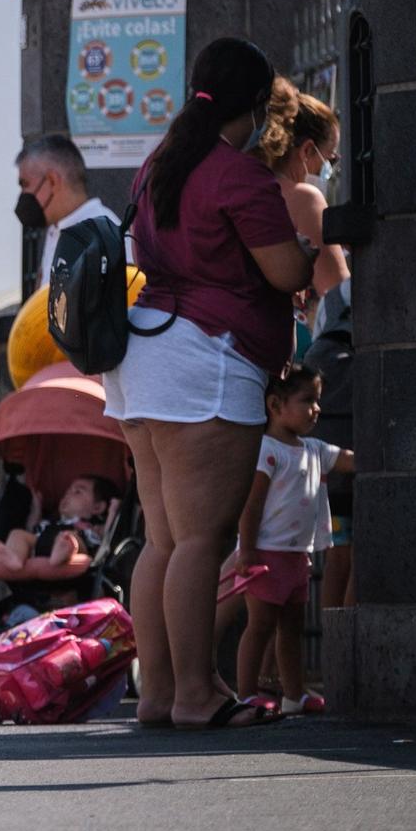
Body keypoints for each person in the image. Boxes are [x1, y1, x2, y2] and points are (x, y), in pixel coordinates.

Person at [102, 37, 313, 731]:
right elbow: (286, 274)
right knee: (202, 540)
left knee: (163, 539)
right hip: (207, 360)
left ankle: (161, 693)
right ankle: (197, 693)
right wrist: (308, 253)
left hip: (143, 357)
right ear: (255, 106)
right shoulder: (236, 175)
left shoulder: (159, 163)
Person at [235, 366, 353, 716]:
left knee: (292, 627)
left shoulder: (314, 449)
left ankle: (293, 693)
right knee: (259, 626)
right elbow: (251, 505)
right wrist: (248, 549)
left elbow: (347, 460)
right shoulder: (267, 450)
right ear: (275, 404)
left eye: (317, 401)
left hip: (296, 556)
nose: (316, 409)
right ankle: (245, 694)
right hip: (266, 554)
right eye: (307, 401)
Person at [253, 78, 349, 354]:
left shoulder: (246, 190)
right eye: (329, 159)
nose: (328, 172)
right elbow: (337, 292)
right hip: (293, 346)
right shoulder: (304, 199)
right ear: (307, 150)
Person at [15, 134, 120, 295]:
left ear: (52, 181)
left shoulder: (102, 235)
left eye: (25, 184)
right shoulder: (58, 228)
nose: (23, 194)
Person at [0, 475, 119, 583]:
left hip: (75, 545)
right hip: (42, 543)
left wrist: (113, 511)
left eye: (77, 492)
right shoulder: (51, 521)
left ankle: (62, 553)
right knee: (18, 534)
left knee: (68, 538)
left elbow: (108, 536)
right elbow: (32, 529)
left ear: (98, 507)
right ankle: (14, 558)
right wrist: (36, 508)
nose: (68, 495)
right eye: (67, 491)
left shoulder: (91, 527)